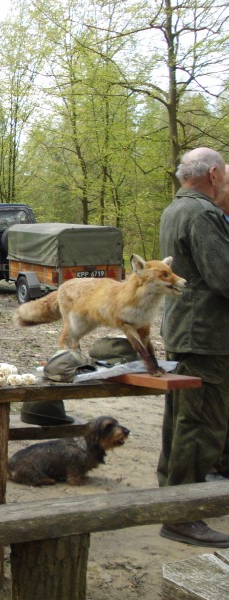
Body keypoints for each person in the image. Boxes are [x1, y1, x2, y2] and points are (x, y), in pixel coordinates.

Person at [156, 147, 229, 548]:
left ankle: (173, 497)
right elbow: (224, 276)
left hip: (188, 329)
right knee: (201, 423)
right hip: (206, 334)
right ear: (214, 174)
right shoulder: (202, 213)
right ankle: (184, 514)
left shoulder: (176, 209)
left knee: (183, 417)